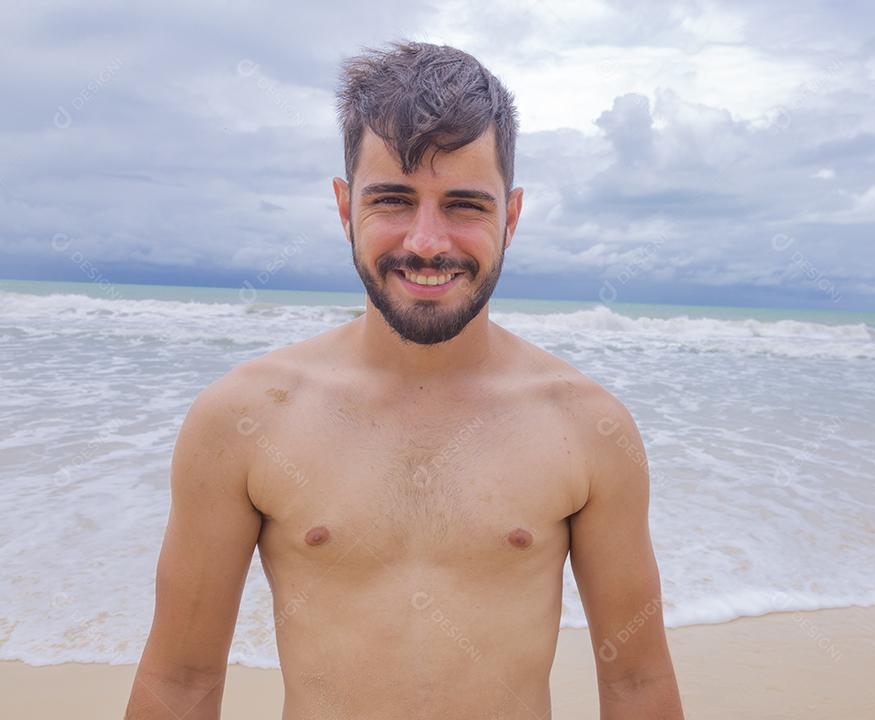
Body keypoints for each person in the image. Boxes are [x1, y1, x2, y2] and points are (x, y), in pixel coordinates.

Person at [125, 41, 683, 719]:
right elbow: (182, 678)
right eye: (392, 199)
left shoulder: (585, 427)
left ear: (510, 215)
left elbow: (635, 684)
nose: (426, 241)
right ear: (343, 206)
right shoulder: (247, 418)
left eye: (464, 206)